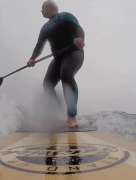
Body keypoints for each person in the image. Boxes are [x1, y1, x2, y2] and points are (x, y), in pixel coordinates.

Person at [27, 0, 85, 128]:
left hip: (73, 53)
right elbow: (39, 45)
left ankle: (71, 117)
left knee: (66, 75)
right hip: (58, 58)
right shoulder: (44, 27)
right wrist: (32, 58)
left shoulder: (65, 16)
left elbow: (78, 29)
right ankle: (55, 113)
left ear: (50, 7)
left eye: (42, 8)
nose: (41, 11)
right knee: (47, 84)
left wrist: (80, 39)